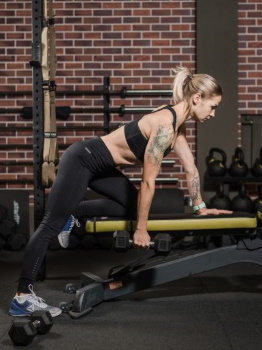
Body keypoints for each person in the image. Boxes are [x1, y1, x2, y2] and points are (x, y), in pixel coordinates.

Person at [9, 67, 231, 317]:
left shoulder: (178, 128)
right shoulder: (165, 126)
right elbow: (147, 182)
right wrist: (141, 229)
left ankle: (75, 213)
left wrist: (201, 208)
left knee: (131, 206)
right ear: (197, 98)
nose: (213, 113)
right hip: (83, 159)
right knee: (51, 224)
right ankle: (22, 296)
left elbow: (191, 170)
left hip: (101, 166)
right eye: (213, 106)